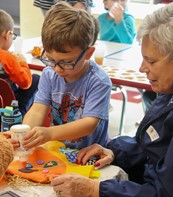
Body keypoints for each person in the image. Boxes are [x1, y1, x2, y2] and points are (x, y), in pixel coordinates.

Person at [50, 0, 173, 196]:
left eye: (151, 61)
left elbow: (169, 193)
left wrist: (96, 190)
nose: (142, 68)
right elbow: (154, 143)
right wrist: (115, 151)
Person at [13, 2, 112, 151]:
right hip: (57, 150)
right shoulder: (49, 73)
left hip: (89, 153)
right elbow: (37, 110)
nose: (57, 68)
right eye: (51, 59)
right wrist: (26, 133)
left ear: (88, 53)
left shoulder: (99, 81)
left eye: (66, 62)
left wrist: (49, 133)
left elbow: (89, 123)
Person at [0, 9, 40, 117]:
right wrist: (22, 63)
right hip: (6, 107)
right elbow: (25, 83)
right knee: (36, 79)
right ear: (8, 35)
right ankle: (17, 115)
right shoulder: (6, 57)